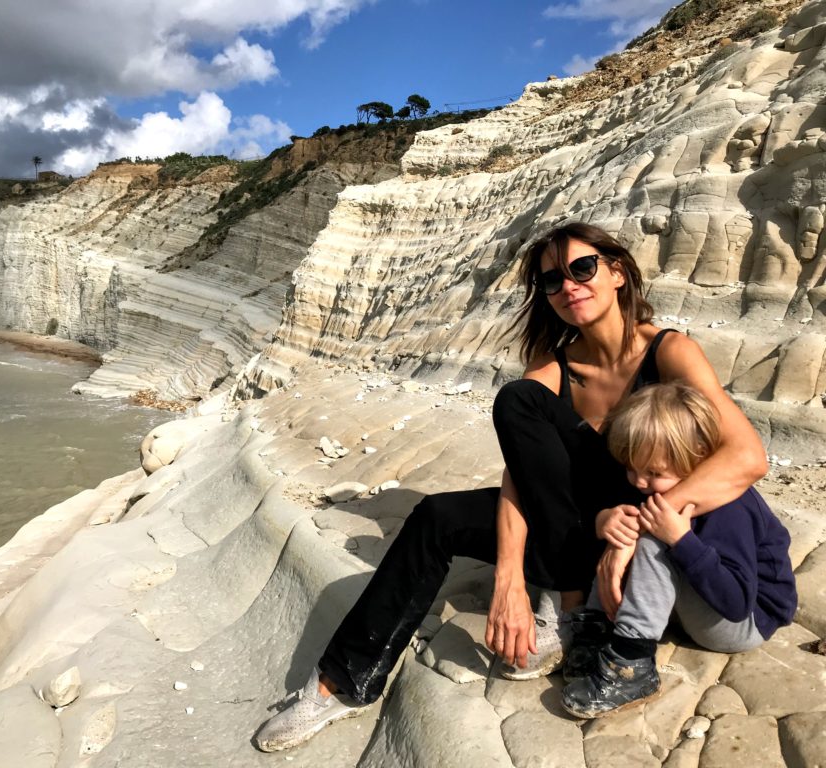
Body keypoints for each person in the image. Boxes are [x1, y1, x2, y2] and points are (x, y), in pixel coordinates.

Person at [254, 222, 768, 753]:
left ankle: (570, 612)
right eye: (551, 281)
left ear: (616, 272)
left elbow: (746, 456)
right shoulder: (555, 365)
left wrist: (640, 533)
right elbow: (521, 474)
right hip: (578, 523)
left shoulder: (668, 351)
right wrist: (508, 583)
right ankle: (341, 683)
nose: (568, 286)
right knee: (442, 508)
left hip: (647, 524)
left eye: (582, 268)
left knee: (529, 428)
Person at [560, 382, 797, 718]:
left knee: (653, 538)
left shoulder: (731, 509)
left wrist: (682, 541)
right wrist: (609, 520)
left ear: (698, 457)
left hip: (747, 620)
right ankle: (599, 630)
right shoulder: (660, 482)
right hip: (704, 603)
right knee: (627, 526)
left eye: (653, 473)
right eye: (631, 468)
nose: (639, 482)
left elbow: (736, 602)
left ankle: (631, 663)